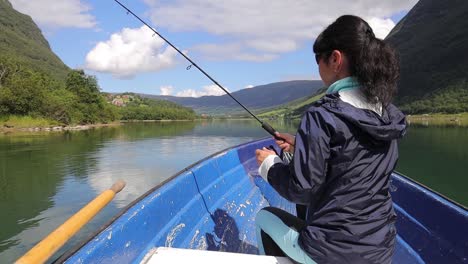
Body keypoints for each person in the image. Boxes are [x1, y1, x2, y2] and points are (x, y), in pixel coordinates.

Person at [254, 15, 406, 264]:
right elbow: (351, 157)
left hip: (334, 254)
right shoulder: (386, 114)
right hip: (380, 249)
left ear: (335, 59)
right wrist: (301, 145)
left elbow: (301, 190)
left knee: (265, 218)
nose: (318, 69)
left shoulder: (322, 115)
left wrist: (269, 164)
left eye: (318, 60)